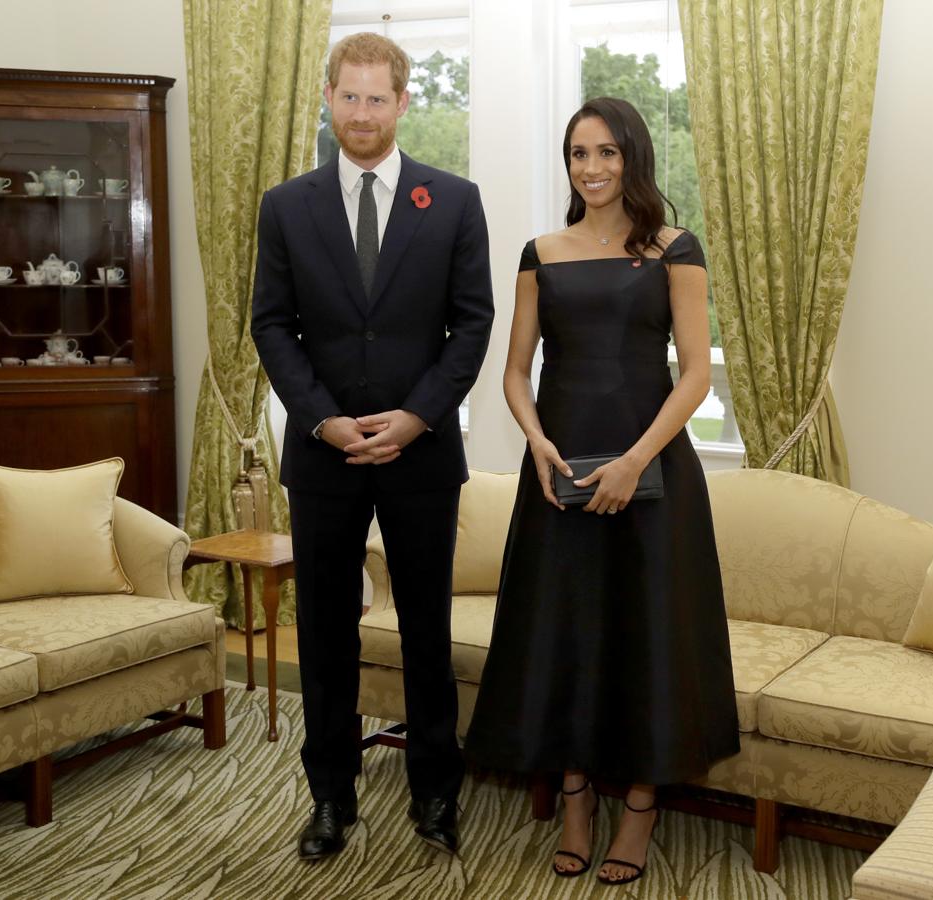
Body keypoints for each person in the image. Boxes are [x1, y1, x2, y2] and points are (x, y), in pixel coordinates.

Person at [463, 97, 739, 886]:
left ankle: (641, 809)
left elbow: (692, 375)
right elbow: (516, 371)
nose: (592, 168)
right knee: (568, 634)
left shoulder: (674, 249)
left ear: (633, 159)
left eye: (608, 153)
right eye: (579, 153)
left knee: (645, 635)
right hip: (559, 475)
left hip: (653, 474)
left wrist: (631, 461)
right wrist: (540, 445)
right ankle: (577, 799)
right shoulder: (540, 252)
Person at [251, 32, 493, 861]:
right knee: (325, 633)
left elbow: (474, 326)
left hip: (422, 455)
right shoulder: (286, 206)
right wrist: (320, 419)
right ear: (327, 97)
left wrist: (417, 417)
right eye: (348, 96)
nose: (362, 113)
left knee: (426, 628)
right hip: (323, 456)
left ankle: (434, 793)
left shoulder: (453, 200)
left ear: (402, 101)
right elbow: (272, 326)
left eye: (377, 98)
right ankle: (330, 798)